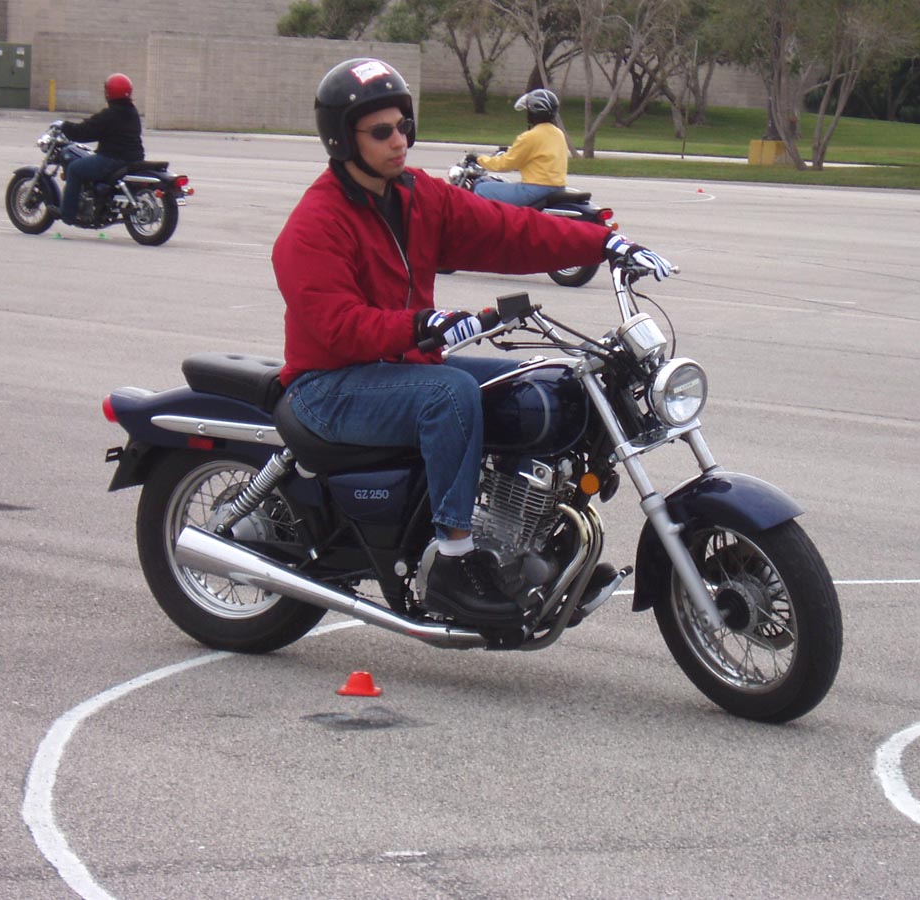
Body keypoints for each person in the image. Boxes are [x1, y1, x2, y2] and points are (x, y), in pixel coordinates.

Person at [271, 58, 672, 629]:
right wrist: (422, 325)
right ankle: (455, 564)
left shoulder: (417, 196)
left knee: (549, 386)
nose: (399, 140)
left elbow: (509, 230)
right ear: (342, 138)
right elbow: (336, 323)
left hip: (402, 367)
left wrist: (603, 243)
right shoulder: (316, 222)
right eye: (381, 132)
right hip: (330, 386)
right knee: (450, 394)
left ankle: (534, 547)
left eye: (404, 126)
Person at [54, 73, 144, 224]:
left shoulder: (110, 114)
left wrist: (65, 126)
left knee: (74, 169)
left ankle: (67, 214)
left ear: (109, 93)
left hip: (112, 158)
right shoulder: (132, 112)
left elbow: (85, 132)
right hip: (133, 158)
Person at [473, 88, 568, 206]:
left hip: (536, 189)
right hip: (558, 188)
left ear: (533, 112)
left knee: (482, 188)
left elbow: (505, 164)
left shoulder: (530, 136)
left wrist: (479, 159)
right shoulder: (558, 134)